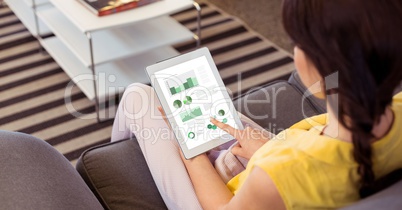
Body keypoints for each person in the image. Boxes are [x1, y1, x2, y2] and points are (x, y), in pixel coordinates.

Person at [111, 0, 402, 209]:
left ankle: (116, 168)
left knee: (137, 95)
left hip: (242, 197)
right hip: (272, 174)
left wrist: (190, 149)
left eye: (297, 42)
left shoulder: (281, 174)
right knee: (214, 111)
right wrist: (269, 148)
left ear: (323, 66)